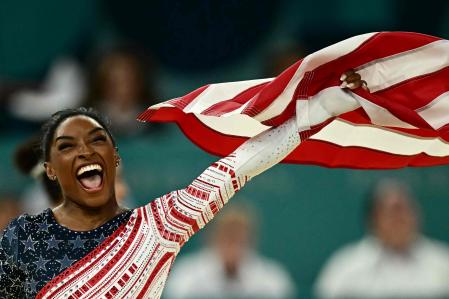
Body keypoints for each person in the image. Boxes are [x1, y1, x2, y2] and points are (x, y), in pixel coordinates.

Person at [0, 71, 364, 298]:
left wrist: (312, 116)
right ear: (50, 170)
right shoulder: (21, 239)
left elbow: (239, 166)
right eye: (67, 147)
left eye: (97, 142)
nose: (84, 153)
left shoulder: (154, 228)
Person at [314, 179, 449, 299]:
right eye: (391, 212)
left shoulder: (444, 262)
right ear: (372, 219)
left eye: (404, 210)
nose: (399, 219)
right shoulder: (345, 268)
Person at [164, 203, 296, 299]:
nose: (232, 242)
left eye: (239, 236)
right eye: (227, 234)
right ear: (212, 236)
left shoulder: (273, 279)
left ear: (251, 238)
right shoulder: (185, 275)